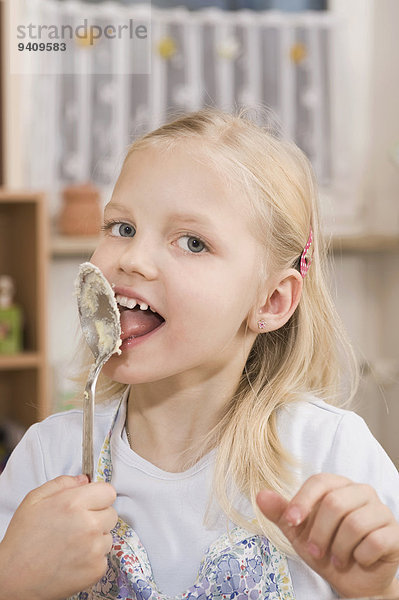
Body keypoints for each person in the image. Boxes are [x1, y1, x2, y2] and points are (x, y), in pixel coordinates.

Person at [0, 107, 398, 600]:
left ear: (271, 302)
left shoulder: (332, 453)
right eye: (122, 228)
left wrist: (377, 592)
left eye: (192, 242)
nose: (132, 258)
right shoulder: (46, 458)